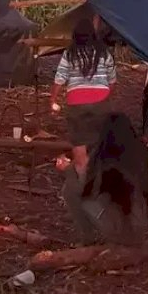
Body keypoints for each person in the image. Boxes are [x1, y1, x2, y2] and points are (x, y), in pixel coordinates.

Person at [50, 17, 116, 241]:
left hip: (77, 105)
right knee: (99, 148)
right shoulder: (104, 54)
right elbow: (112, 81)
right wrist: (104, 97)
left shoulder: (70, 54)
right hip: (101, 103)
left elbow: (60, 78)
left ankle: (82, 183)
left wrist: (53, 99)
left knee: (80, 157)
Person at [59, 113, 148, 246]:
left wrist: (69, 170)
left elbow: (86, 192)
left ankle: (88, 237)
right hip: (146, 225)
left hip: (125, 232)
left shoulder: (108, 161)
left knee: (71, 192)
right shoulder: (143, 154)